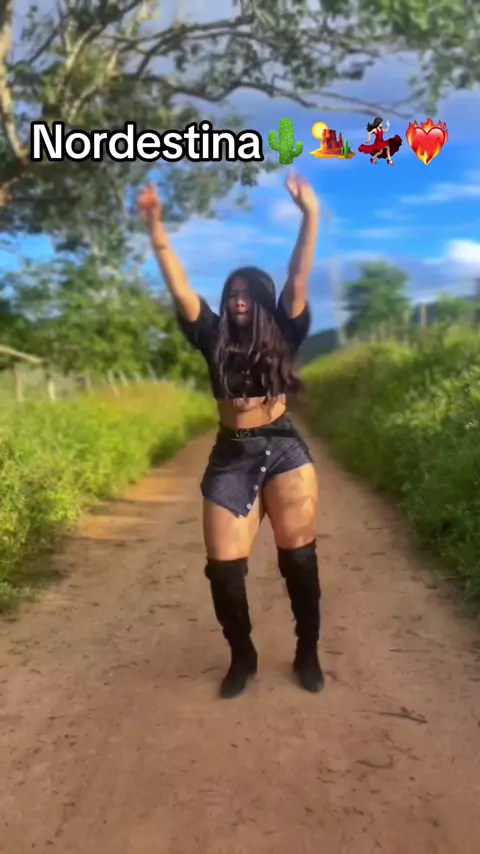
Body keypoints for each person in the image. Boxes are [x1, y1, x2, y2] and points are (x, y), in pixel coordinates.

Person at [137, 172, 324, 700]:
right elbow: (179, 286)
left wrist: (310, 215)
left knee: (299, 559)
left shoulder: (285, 327)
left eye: (247, 292)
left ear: (262, 297)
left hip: (283, 447)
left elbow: (298, 275)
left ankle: (307, 650)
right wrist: (156, 228)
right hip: (231, 454)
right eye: (232, 292)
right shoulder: (211, 333)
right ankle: (243, 655)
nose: (238, 298)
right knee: (223, 569)